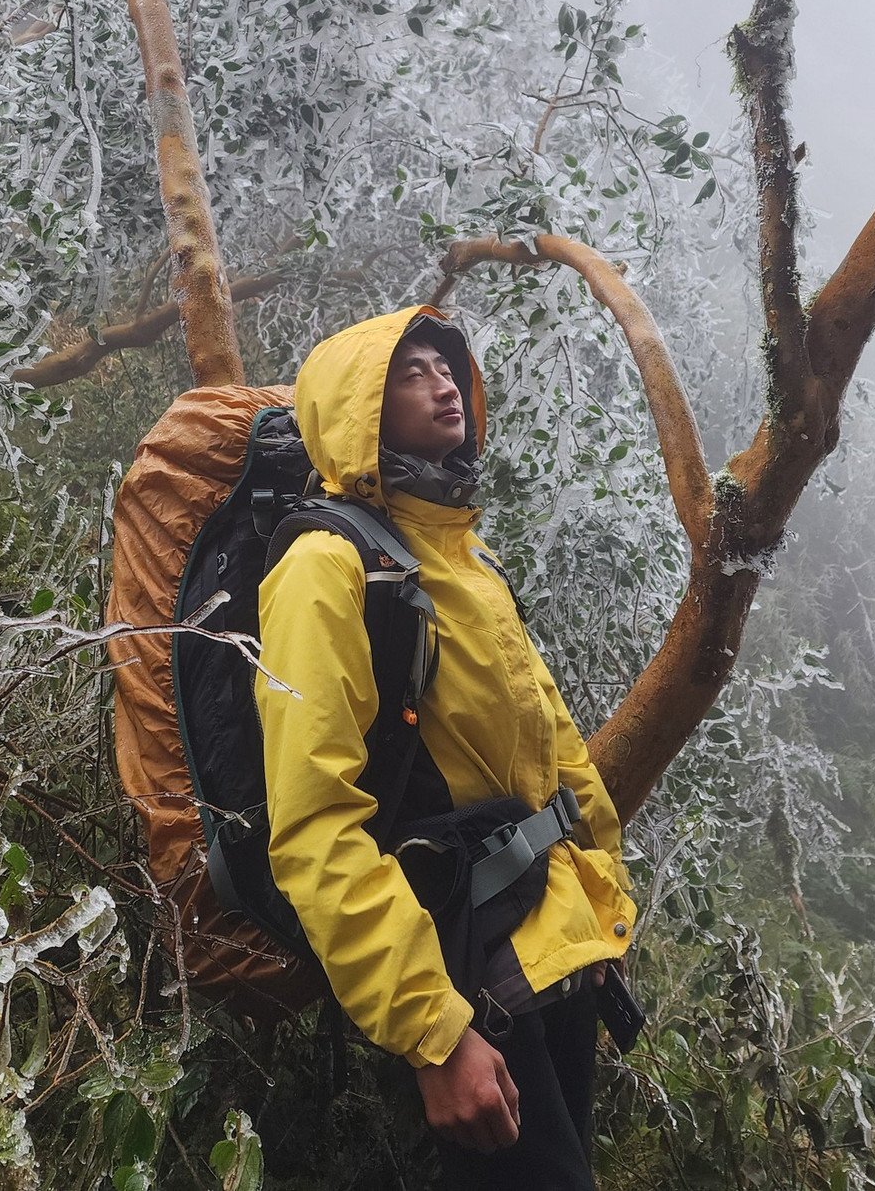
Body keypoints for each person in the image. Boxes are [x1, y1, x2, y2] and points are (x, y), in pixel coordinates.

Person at [255, 306, 636, 1188]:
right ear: (358, 409)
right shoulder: (326, 564)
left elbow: (556, 750)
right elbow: (314, 825)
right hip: (467, 980)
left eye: (447, 364)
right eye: (409, 370)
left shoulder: (468, 559)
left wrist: (603, 888)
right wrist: (431, 1031)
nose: (442, 381)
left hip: (556, 944)